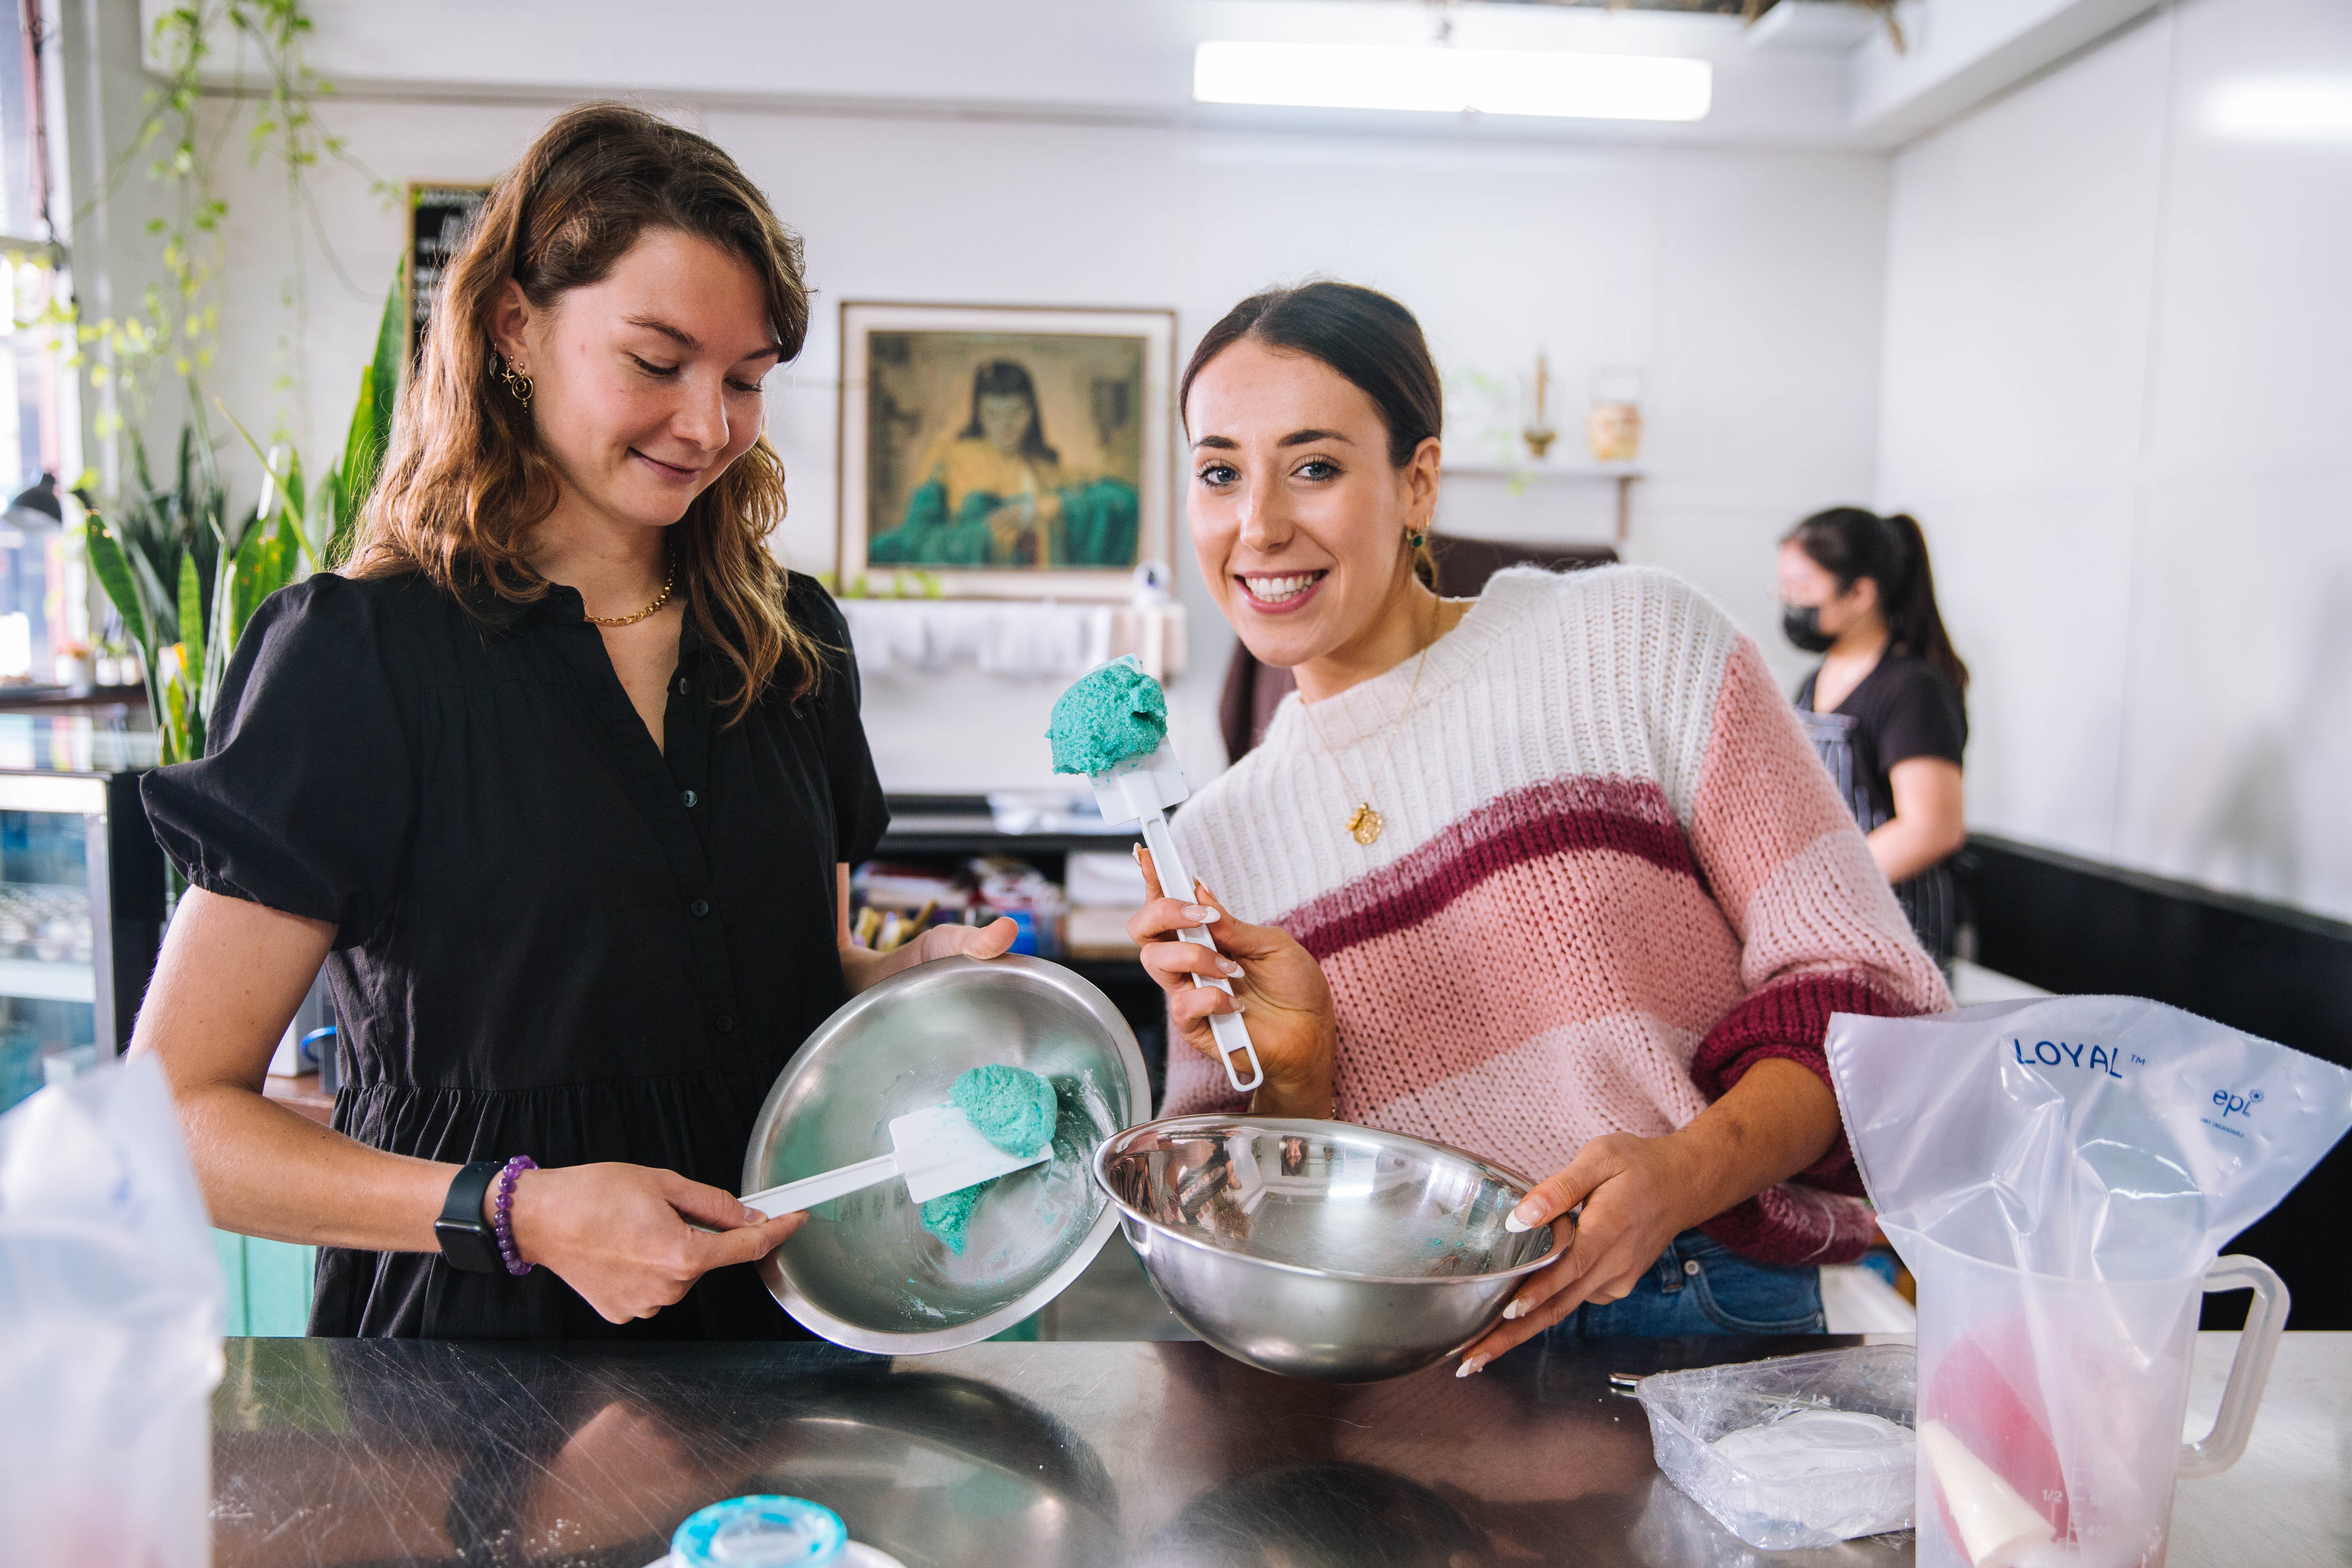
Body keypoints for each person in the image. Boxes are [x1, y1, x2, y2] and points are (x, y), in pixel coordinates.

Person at [131, 104, 1014, 1340]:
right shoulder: (359, 658)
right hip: (472, 1375)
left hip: (783, 1343)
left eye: (746, 379)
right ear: (514, 327)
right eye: (658, 362)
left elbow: (768, 990)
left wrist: (893, 986)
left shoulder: (793, 643)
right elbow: (178, 1112)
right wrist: (521, 1211)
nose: (708, 423)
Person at [1129, 281, 1948, 1372]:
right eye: (1220, 471)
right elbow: (1251, 1217)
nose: (1259, 524)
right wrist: (1294, 1079)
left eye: (1315, 465)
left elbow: (1865, 995)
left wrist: (1683, 1174)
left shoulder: (1632, 644)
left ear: (1417, 482)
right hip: (1412, 1345)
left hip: (1699, 1298)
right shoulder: (1218, 843)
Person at [1777, 508, 1970, 967]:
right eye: (1784, 590)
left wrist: (1821, 884)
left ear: (1862, 592)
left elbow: (1932, 828)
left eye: (1802, 589)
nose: (1790, 603)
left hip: (1899, 922)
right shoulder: (1814, 682)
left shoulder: (1911, 687)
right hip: (1830, 919)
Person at [866, 359, 1138, 568]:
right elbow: (915, 541)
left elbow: (1124, 502)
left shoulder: (1049, 469)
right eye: (993, 414)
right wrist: (985, 536)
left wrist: (1046, 509)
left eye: (1017, 413)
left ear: (1032, 412)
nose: (1005, 427)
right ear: (978, 413)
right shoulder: (949, 459)